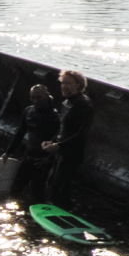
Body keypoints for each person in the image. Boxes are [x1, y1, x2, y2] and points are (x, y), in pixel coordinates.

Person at [43, 69, 94, 204]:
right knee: (57, 184)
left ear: (77, 85)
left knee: (56, 186)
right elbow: (63, 128)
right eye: (62, 83)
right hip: (61, 149)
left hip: (72, 152)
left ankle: (56, 213)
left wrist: (58, 145)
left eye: (68, 83)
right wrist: (51, 141)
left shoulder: (84, 104)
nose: (63, 86)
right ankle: (66, 208)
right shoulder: (66, 103)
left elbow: (81, 134)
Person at [11, 84, 61, 202]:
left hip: (42, 160)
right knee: (16, 188)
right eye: (32, 98)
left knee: (37, 189)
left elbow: (58, 139)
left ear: (47, 96)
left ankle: (38, 213)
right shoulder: (28, 111)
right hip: (28, 155)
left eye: (39, 97)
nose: (35, 101)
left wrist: (49, 158)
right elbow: (20, 132)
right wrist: (8, 152)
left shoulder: (54, 116)